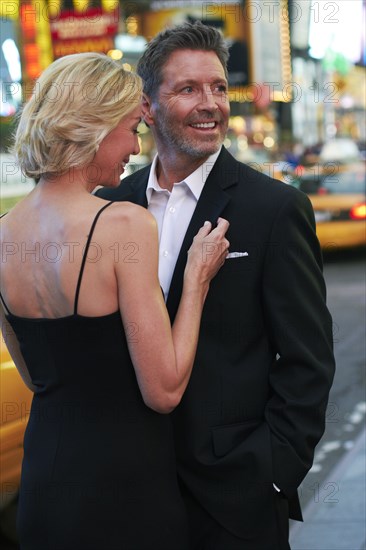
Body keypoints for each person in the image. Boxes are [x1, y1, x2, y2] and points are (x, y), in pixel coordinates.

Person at [96, 22, 336, 550]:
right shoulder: (111, 205)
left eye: (219, 88)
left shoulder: (273, 210)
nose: (211, 104)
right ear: (147, 105)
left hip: (236, 503)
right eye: (189, 89)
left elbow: (308, 360)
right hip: (129, 498)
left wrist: (273, 473)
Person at [0, 52, 230, 550]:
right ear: (93, 129)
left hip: (44, 483)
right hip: (124, 488)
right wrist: (196, 281)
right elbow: (163, 390)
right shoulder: (121, 224)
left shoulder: (3, 235)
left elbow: (37, 377)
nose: (134, 145)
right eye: (130, 128)